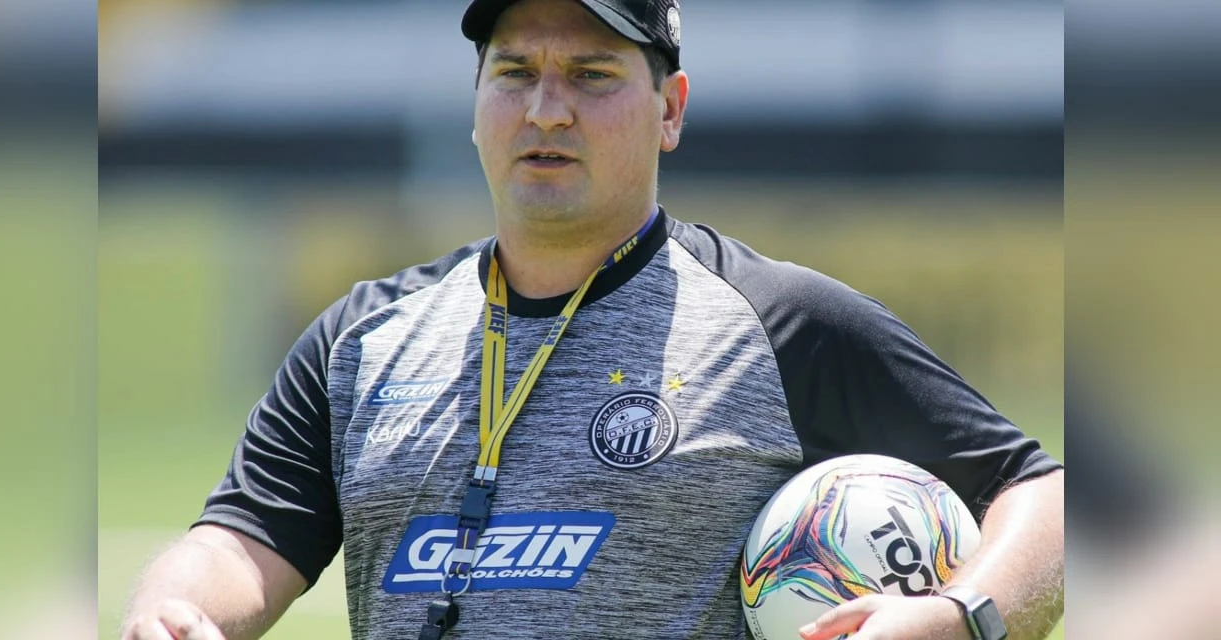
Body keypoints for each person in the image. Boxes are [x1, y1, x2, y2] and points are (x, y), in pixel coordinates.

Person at [119, 0, 1065, 638]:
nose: (547, 109)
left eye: (592, 74)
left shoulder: (784, 324)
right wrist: (174, 610)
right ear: (476, 104)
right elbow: (238, 540)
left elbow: (1046, 498)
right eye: (515, 70)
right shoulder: (359, 341)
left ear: (671, 110)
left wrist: (962, 615)